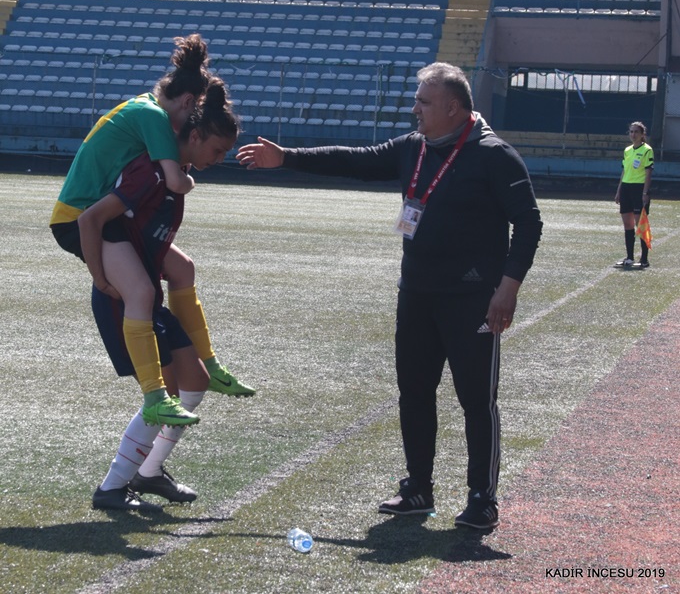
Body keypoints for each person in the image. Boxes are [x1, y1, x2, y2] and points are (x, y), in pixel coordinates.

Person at [236, 62, 543, 530]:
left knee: (476, 400)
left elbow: (529, 223)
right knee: (414, 392)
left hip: (473, 300)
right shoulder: (414, 148)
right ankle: (418, 488)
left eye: (423, 101)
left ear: (453, 107)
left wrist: (508, 287)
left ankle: (482, 498)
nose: (414, 108)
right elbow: (354, 160)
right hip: (417, 294)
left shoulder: (494, 155)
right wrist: (288, 157)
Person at [50, 35, 254, 428]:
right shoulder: (156, 117)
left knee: (183, 269)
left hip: (97, 215)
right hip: (81, 217)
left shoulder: (143, 108)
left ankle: (209, 364)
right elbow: (175, 181)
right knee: (141, 292)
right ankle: (154, 395)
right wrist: (98, 274)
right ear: (187, 104)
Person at [83, 82, 240, 510]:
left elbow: (155, 245)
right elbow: (93, 221)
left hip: (149, 298)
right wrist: (101, 278)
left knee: (195, 381)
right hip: (125, 299)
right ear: (193, 135)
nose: (219, 160)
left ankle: (148, 473)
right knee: (167, 388)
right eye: (218, 149)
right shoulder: (151, 171)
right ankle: (113, 487)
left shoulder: (175, 179)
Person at [614, 121, 653, 269]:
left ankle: (644, 259)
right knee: (628, 224)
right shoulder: (627, 150)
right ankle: (629, 257)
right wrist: (619, 190)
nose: (633, 134)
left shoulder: (647, 150)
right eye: (631, 132)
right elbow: (624, 171)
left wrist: (645, 192)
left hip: (639, 189)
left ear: (642, 134)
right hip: (626, 188)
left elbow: (649, 172)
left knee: (640, 225)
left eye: (636, 132)